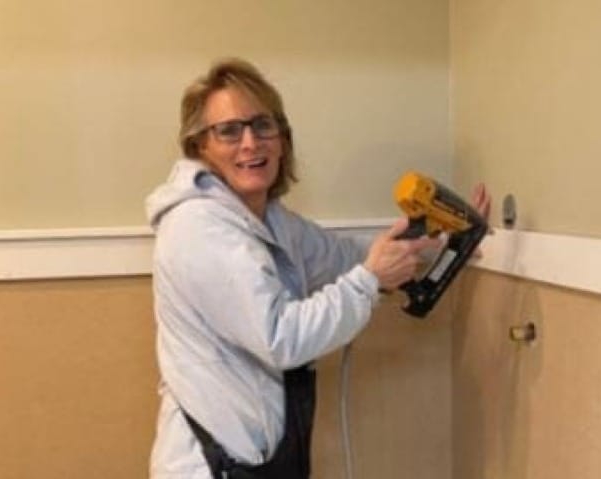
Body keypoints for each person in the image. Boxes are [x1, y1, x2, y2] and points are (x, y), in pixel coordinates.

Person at [145, 58, 490, 479]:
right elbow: (280, 338)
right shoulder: (198, 228)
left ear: (282, 138)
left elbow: (344, 257)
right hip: (211, 466)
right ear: (201, 146)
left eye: (262, 125)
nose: (250, 143)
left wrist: (447, 240)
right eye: (229, 131)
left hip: (260, 459)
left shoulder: (270, 219)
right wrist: (368, 282)